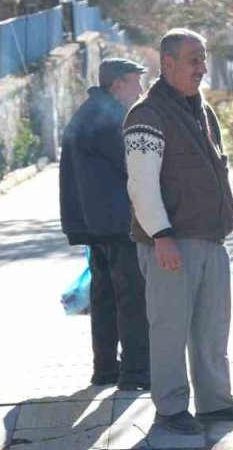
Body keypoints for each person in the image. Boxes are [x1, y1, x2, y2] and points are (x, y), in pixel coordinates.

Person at [123, 29, 233, 435]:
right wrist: (162, 236)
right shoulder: (147, 115)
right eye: (193, 59)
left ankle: (215, 403)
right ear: (168, 64)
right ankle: (171, 408)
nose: (202, 67)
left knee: (212, 329)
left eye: (204, 57)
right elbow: (142, 186)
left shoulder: (202, 110)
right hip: (172, 244)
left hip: (210, 242)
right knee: (170, 329)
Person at [60, 57, 151, 392]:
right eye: (135, 82)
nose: (140, 89)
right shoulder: (108, 118)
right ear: (117, 85)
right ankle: (137, 373)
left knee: (105, 297)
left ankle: (105, 371)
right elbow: (134, 165)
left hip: (95, 224)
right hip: (116, 224)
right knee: (131, 297)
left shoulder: (89, 112)